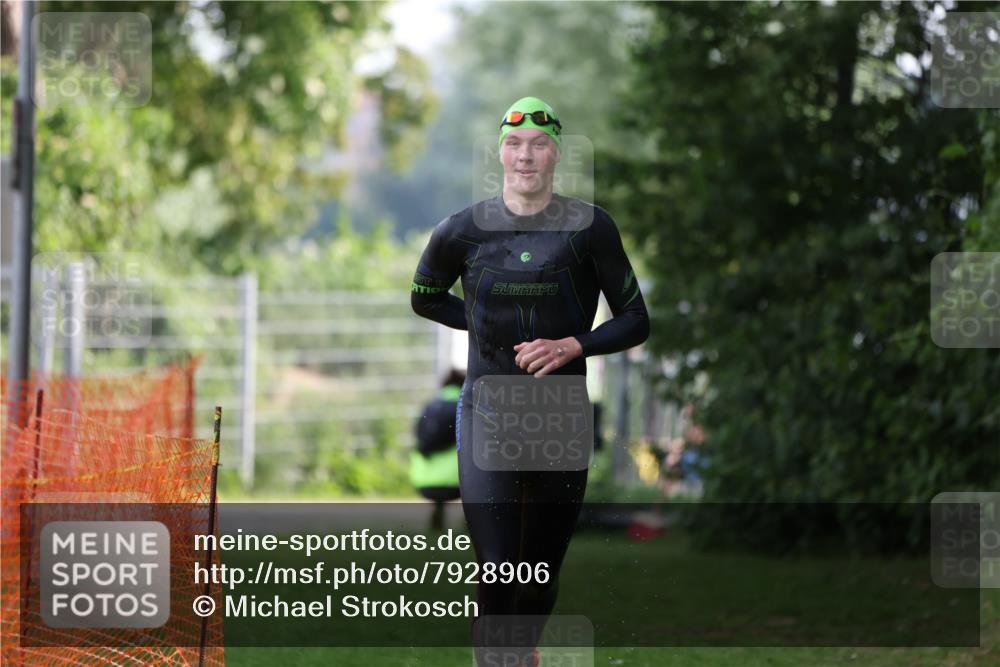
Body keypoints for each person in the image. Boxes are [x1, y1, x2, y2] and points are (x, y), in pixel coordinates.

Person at [411, 96, 649, 667]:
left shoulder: (591, 229)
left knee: (539, 569)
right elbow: (423, 298)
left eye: (539, 145)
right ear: (500, 152)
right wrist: (479, 324)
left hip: (562, 417)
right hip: (488, 410)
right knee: (496, 565)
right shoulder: (462, 230)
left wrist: (575, 344)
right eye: (515, 144)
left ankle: (521, 653)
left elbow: (636, 320)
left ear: (556, 154)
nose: (526, 155)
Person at [410, 369, 464, 531]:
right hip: (457, 481)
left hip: (422, 479)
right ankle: (471, 523)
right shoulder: (465, 409)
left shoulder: (429, 407)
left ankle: (437, 517)